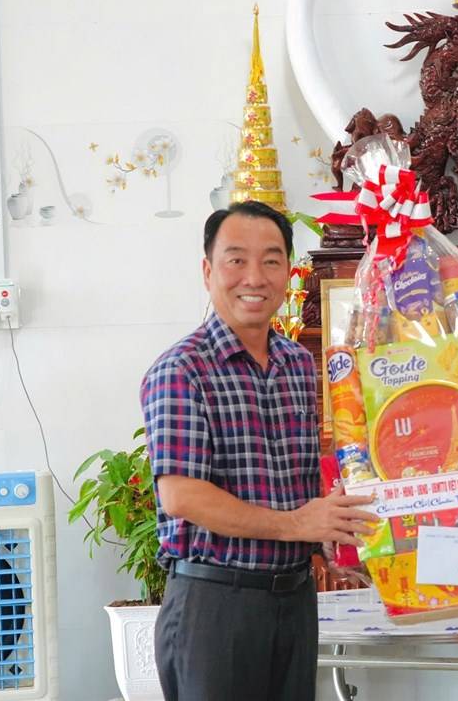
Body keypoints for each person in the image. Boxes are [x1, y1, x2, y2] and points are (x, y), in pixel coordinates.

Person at [141, 201, 374, 701]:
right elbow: (182, 496)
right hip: (215, 605)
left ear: (288, 272)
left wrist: (333, 534)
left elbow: (302, 479)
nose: (255, 276)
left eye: (271, 260)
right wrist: (298, 525)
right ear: (208, 271)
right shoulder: (181, 370)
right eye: (236, 259)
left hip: (293, 602)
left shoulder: (296, 364)